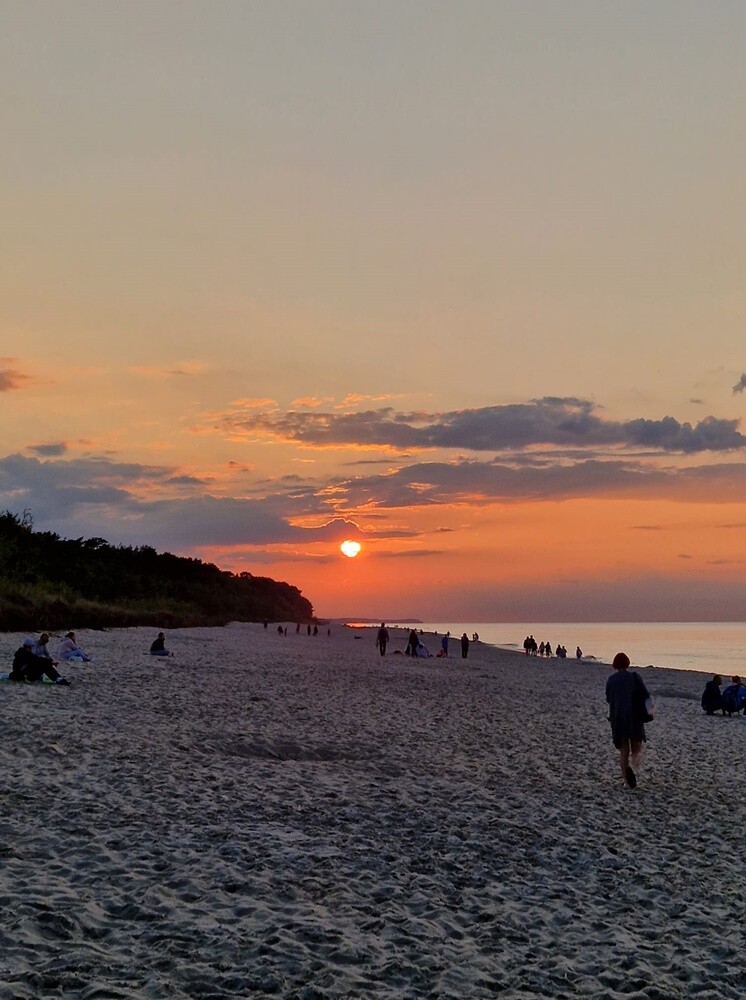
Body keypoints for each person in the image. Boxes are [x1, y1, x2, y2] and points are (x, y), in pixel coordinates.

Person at [605, 651, 651, 789]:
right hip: (634, 716)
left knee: (623, 750)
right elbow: (645, 694)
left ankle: (626, 780)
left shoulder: (611, 680)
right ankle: (633, 767)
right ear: (627, 663)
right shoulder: (635, 677)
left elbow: (608, 698)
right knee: (636, 747)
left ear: (615, 665)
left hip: (618, 717)